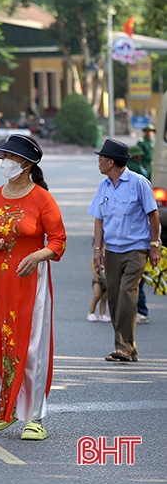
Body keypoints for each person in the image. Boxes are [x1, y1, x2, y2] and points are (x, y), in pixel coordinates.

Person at [0, 134, 66, 441]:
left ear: (26, 164)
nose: (4, 164)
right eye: (3, 158)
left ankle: (35, 417)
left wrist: (38, 255)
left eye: (10, 159)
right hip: (0, 283)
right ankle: (14, 400)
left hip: (31, 283)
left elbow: (58, 240)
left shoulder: (41, 198)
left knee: (33, 351)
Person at [89, 139, 160, 364]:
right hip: (112, 250)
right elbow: (98, 220)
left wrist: (154, 245)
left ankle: (123, 348)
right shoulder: (104, 186)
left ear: (111, 162)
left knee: (128, 294)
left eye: (101, 159)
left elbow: (153, 215)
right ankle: (130, 347)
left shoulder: (139, 183)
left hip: (136, 249)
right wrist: (98, 249)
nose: (98, 163)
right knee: (114, 298)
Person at [126, 145, 152, 323]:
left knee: (136, 281)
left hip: (137, 242)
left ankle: (140, 309)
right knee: (136, 281)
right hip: (134, 241)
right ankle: (136, 309)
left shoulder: (137, 177)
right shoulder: (137, 171)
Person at [88, 257, 110, 322]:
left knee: (104, 298)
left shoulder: (112, 257)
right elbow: (92, 263)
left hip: (108, 280)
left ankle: (102, 314)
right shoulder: (99, 257)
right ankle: (91, 313)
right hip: (99, 279)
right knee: (96, 296)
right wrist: (94, 274)